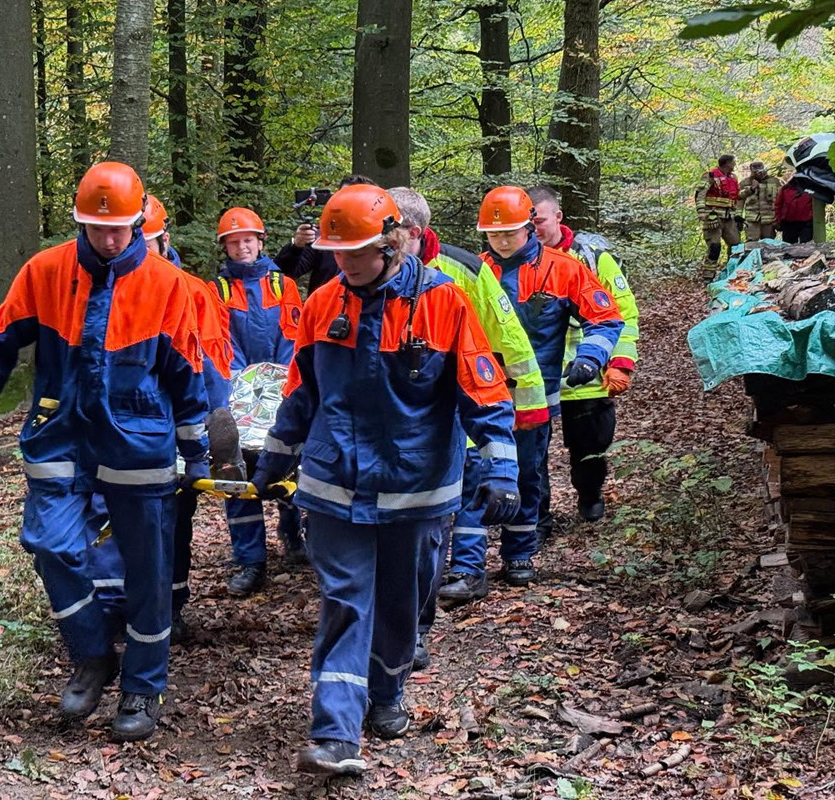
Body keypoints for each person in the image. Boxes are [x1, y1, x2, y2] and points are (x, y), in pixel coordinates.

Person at [0, 162, 209, 742]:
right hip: (60, 434)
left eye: (122, 230)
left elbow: (187, 375)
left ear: (139, 223)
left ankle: (143, 685)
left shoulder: (168, 285)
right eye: (98, 229)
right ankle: (92, 654)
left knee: (149, 572)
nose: (111, 240)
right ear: (80, 222)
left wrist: (196, 448)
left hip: (139, 440)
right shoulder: (45, 272)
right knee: (50, 545)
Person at [252, 184, 522, 777]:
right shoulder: (324, 302)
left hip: (416, 487)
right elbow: (302, 390)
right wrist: (276, 455)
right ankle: (335, 731)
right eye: (337, 253)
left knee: (402, 605)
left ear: (393, 242)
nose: (344, 263)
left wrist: (502, 467)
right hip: (333, 483)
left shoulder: (444, 302)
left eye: (357, 253)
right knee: (345, 601)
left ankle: (388, 692)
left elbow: (483, 390)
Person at [387, 187, 548, 627]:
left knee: (473, 476)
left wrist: (525, 405)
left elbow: (507, 333)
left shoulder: (464, 269)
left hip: (471, 387)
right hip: (414, 398)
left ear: (412, 231)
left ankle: (468, 568)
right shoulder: (377, 273)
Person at [89, 194, 234, 642]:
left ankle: (170, 606)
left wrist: (211, 433)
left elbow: (210, 361)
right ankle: (115, 610)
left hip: (174, 428)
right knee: (110, 521)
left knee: (173, 522)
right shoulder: (98, 286)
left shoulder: (188, 289)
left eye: (145, 240)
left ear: (161, 239)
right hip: (119, 432)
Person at [476, 186, 625, 587]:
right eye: (495, 235)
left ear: (529, 227)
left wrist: (591, 357)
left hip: (533, 393)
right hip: (480, 393)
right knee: (475, 472)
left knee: (528, 468)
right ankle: (469, 561)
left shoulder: (564, 268)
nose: (503, 241)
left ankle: (521, 551)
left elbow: (607, 316)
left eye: (511, 232)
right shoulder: (476, 272)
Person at [529, 185, 639, 532]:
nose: (533, 230)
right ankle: (538, 517)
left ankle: (590, 495)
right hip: (532, 376)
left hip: (587, 375)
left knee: (589, 448)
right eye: (526, 223)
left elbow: (624, 313)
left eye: (539, 221)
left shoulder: (591, 257)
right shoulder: (512, 262)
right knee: (531, 454)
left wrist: (620, 362)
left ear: (558, 217)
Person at [212, 206, 306, 596]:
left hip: (281, 392)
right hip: (238, 395)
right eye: (234, 243)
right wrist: (239, 387)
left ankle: (295, 536)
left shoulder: (283, 286)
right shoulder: (217, 290)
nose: (242, 247)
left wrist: (279, 385)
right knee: (234, 474)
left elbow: (294, 338)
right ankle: (250, 560)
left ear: (260, 241)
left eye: (247, 240)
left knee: (291, 465)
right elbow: (221, 342)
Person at [276, 174, 376, 295]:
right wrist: (296, 246)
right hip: (325, 308)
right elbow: (282, 274)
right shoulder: (324, 236)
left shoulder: (383, 238)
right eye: (343, 197)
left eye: (354, 198)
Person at [694, 154, 741, 278]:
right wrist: (702, 212)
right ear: (727, 163)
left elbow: (737, 196)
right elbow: (700, 194)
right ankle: (708, 276)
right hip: (713, 218)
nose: (735, 164)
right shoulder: (710, 176)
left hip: (729, 217)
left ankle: (732, 272)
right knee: (715, 247)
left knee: (736, 245)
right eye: (733, 162)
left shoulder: (733, 178)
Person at [737, 161, 782, 242]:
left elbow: (781, 200)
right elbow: (739, 199)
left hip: (769, 220)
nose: (757, 170)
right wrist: (738, 217)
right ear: (750, 170)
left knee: (769, 243)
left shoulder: (774, 181)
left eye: (759, 166)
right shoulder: (745, 182)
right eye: (754, 167)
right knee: (751, 243)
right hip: (752, 221)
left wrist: (780, 219)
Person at [776, 176, 815, 244]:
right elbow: (778, 205)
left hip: (806, 223)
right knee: (788, 246)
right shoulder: (786, 189)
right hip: (788, 223)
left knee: (806, 246)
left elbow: (815, 206)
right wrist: (778, 221)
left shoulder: (811, 190)